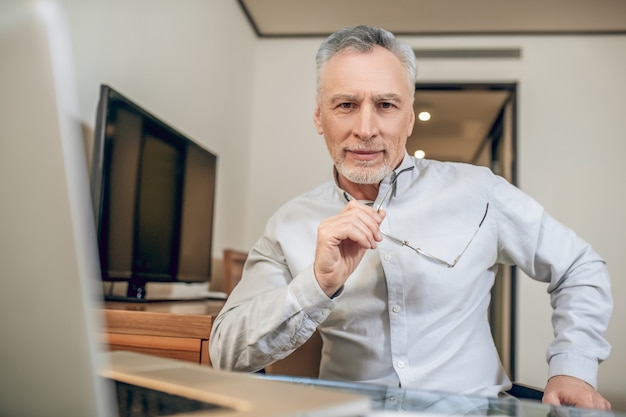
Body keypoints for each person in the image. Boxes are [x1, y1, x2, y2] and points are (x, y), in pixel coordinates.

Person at [209, 25, 612, 410]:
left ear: (408, 116)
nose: (365, 129)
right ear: (320, 117)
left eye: (385, 105)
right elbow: (226, 352)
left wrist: (574, 370)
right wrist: (316, 284)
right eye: (346, 105)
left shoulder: (480, 191)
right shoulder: (287, 225)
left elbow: (578, 266)